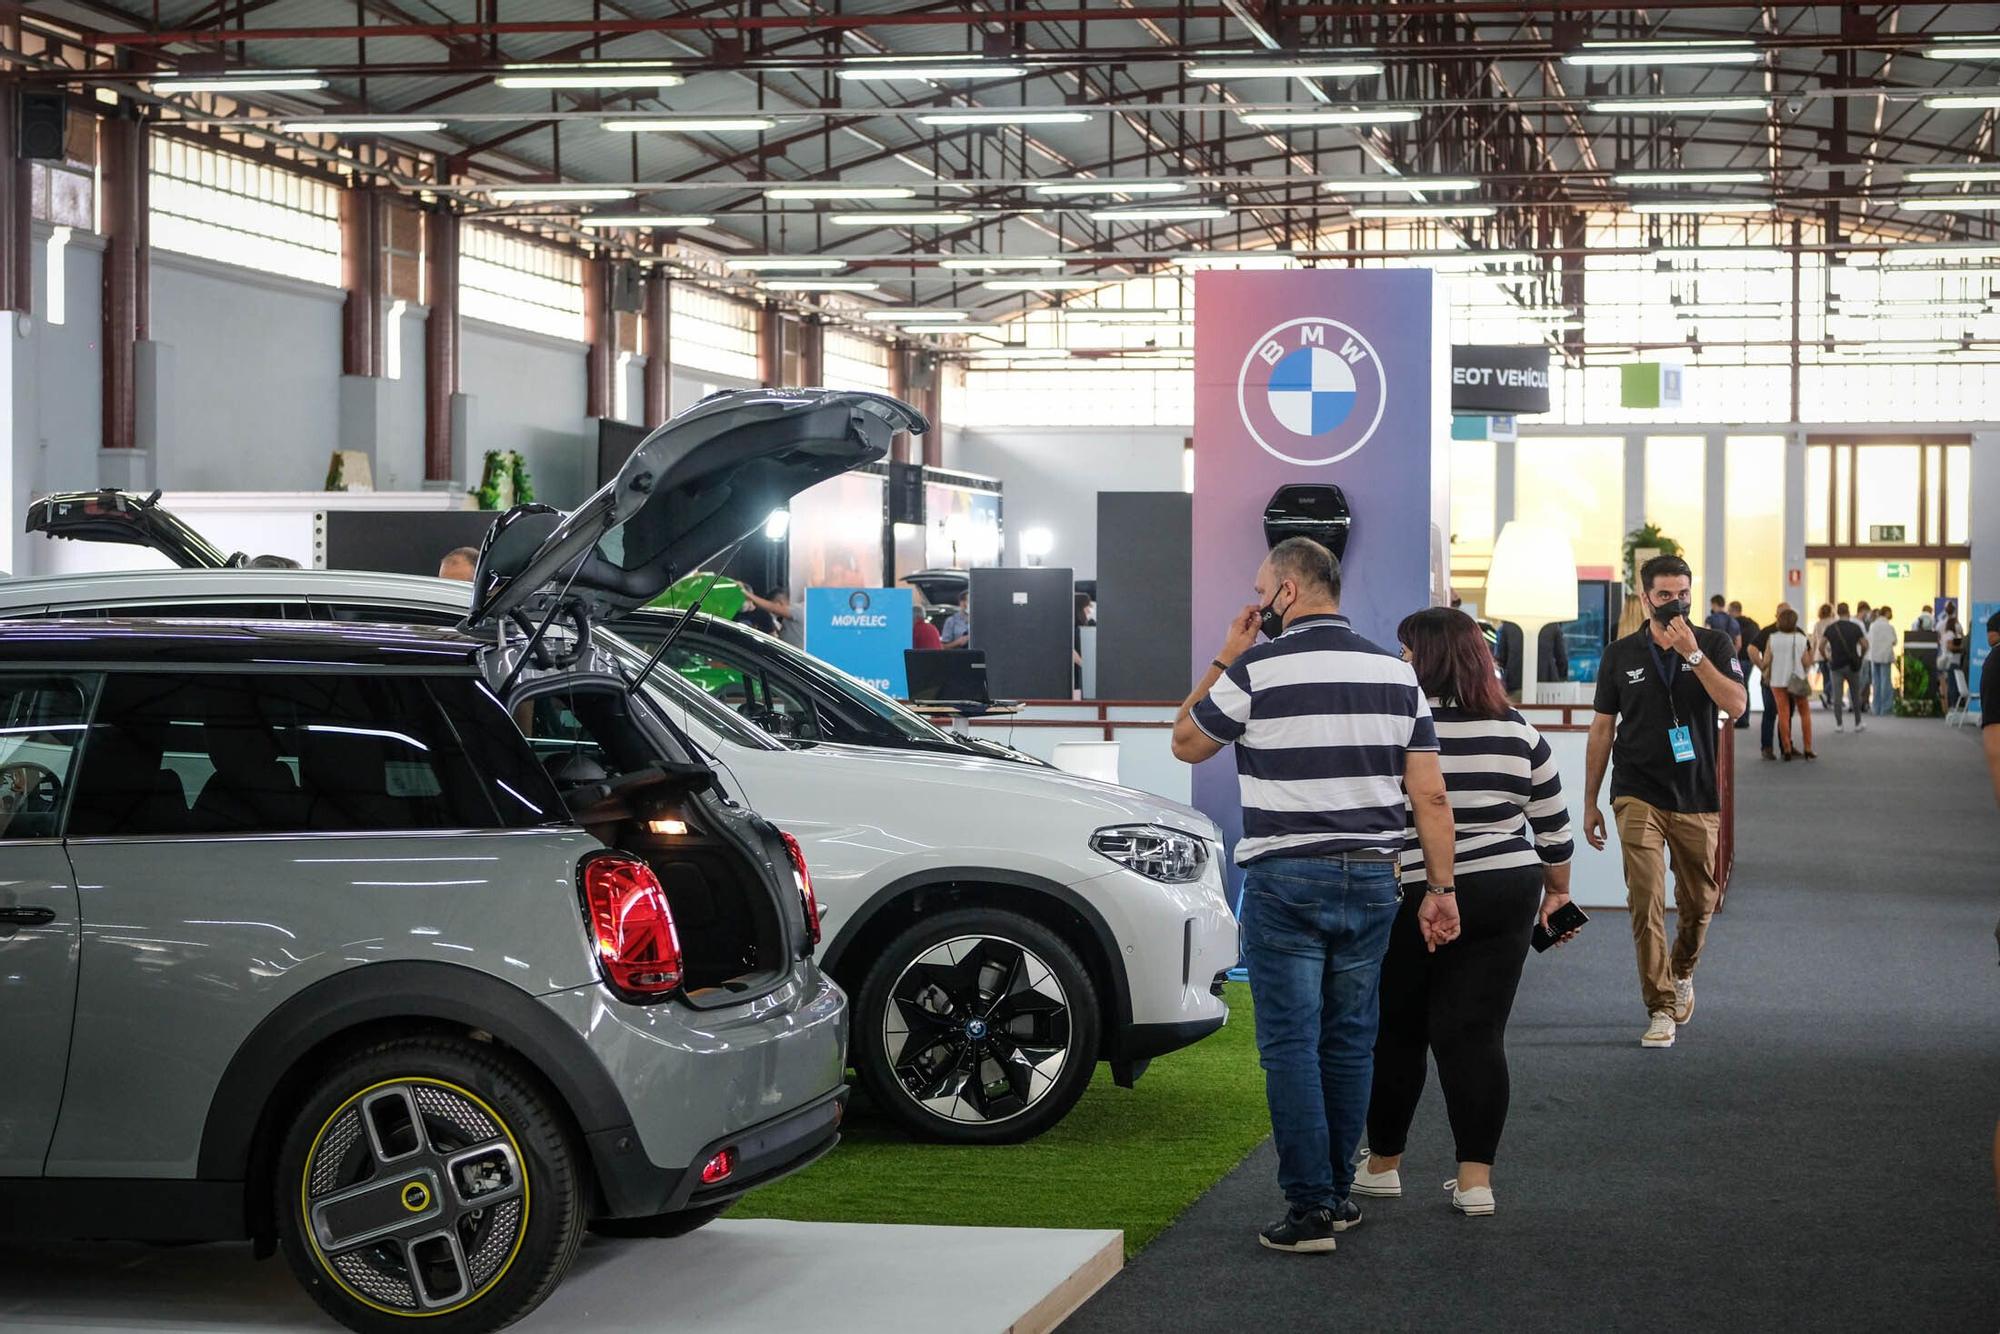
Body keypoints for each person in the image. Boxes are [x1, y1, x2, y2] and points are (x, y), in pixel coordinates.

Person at [1171, 537, 1458, 1255]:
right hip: (1372, 878)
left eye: (1262, 588)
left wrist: (1224, 656)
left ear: (1286, 594)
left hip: (1285, 879)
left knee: (1292, 1045)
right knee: (1350, 1041)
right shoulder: (1395, 674)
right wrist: (1442, 889)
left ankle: (1309, 1212)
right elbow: (1430, 794)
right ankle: (1335, 1194)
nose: (1258, 600)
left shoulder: (1257, 668)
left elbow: (1185, 742)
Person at [1355, 608, 1576, 1220]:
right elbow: (1553, 827)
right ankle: (1476, 1182)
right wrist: (1558, 893)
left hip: (1412, 889)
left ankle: (1383, 1166)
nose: (1398, 661)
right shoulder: (1519, 731)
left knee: (1397, 1032)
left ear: (1422, 658)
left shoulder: (1396, 727)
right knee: (1476, 1034)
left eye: (1404, 651)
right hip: (1506, 888)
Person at [1582, 554, 1746, 1049]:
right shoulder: (1620, 655)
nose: (1676, 603)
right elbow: (1602, 728)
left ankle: (1682, 972)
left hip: (1696, 794)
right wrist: (1590, 800)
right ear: (1644, 595)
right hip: (1637, 791)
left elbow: (1736, 705)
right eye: (1665, 595)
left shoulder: (1715, 643)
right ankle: (1659, 1006)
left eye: (1683, 593)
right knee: (1645, 899)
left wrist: (1694, 657)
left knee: (1701, 901)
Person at [1764, 607, 1816, 761]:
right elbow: (1806, 662)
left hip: (1777, 681)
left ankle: (1786, 749)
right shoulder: (1801, 638)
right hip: (1798, 680)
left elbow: (1766, 661)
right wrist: (1812, 652)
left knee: (1783, 715)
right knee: (1805, 714)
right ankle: (1807, 748)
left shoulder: (1772, 638)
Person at [1744, 603, 1784, 759]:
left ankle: (1785, 746)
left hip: (1787, 682)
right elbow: (1751, 649)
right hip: (1770, 681)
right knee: (1770, 713)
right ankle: (1767, 747)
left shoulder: (1796, 631)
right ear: (1777, 615)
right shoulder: (1769, 632)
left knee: (1785, 715)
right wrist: (1762, 667)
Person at [1822, 603, 1867, 732]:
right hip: (1852, 665)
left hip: (1836, 665)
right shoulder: (1855, 627)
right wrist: (1860, 657)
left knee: (1837, 696)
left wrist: (1828, 658)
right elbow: (1864, 644)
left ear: (1837, 612)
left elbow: (1821, 646)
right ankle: (1858, 723)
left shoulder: (1831, 628)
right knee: (1855, 694)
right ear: (1848, 611)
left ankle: (1839, 724)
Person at [1728, 601, 1762, 730]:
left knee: (1736, 687)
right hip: (1749, 659)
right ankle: (1744, 718)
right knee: (1744, 687)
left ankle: (1739, 717)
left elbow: (1734, 642)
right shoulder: (1753, 624)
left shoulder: (1733, 624)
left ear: (1733, 610)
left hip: (1737, 659)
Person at [1866, 605, 1899, 716]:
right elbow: (1894, 641)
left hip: (1874, 656)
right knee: (1885, 682)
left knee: (1876, 682)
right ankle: (1886, 708)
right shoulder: (1889, 627)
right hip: (1885, 656)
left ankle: (1876, 707)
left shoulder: (1873, 626)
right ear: (1887, 613)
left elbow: (1869, 639)